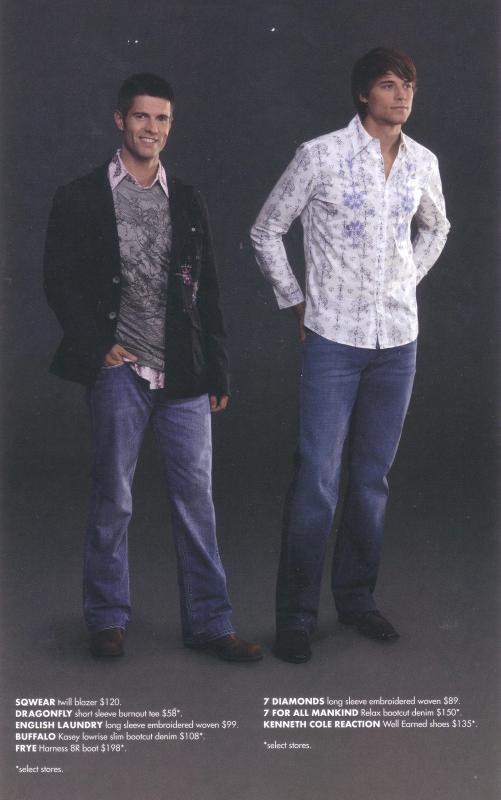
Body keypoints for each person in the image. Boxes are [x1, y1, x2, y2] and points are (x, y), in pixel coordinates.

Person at [44, 73, 262, 662]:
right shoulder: (82, 195)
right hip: (121, 370)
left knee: (197, 501)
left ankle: (211, 624)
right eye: (141, 117)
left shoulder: (186, 198)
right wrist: (97, 345)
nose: (152, 128)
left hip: (184, 372)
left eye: (162, 119)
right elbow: (58, 280)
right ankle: (106, 619)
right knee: (114, 497)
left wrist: (217, 369)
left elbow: (206, 290)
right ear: (121, 120)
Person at [250, 48, 450, 663]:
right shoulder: (320, 155)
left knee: (371, 480)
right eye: (389, 85)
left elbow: (437, 227)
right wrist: (295, 300)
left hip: (398, 343)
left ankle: (357, 599)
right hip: (333, 341)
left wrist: (402, 282)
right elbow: (266, 229)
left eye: (408, 85)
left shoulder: (422, 162)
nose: (401, 95)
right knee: (317, 479)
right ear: (364, 94)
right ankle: (295, 618)